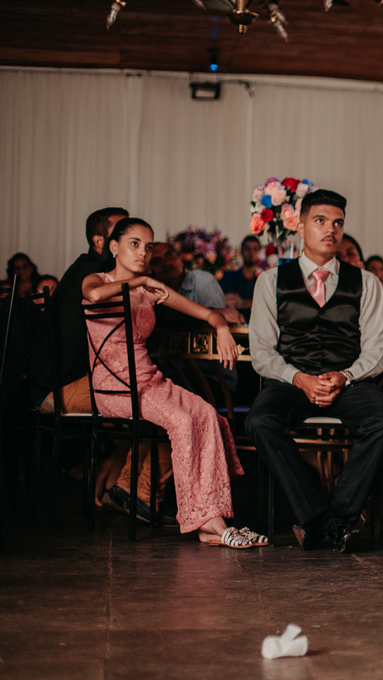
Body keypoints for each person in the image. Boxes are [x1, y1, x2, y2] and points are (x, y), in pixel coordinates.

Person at [81, 219, 260, 549]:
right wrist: (142, 281)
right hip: (116, 387)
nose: (143, 253)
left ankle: (213, 523)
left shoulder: (151, 290)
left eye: (148, 247)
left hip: (149, 380)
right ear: (114, 247)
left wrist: (220, 326)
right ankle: (205, 521)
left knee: (208, 415)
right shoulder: (99, 279)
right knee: (183, 421)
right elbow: (92, 295)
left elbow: (207, 314)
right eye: (135, 244)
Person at [245, 189, 383, 553]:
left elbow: (378, 350)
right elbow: (262, 351)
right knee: (260, 420)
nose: (331, 230)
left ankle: (332, 518)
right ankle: (326, 520)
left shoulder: (366, 283)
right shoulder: (270, 281)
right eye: (320, 221)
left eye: (338, 223)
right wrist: (299, 378)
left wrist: (345, 376)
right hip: (292, 382)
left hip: (349, 382)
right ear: (299, 225)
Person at [29, 207, 127, 414]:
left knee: (154, 393)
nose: (129, 234)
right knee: (151, 397)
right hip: (57, 391)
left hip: (58, 382)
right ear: (99, 241)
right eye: (121, 230)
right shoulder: (95, 273)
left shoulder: (86, 266)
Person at [150, 242, 241, 322]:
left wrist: (216, 314)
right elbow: (165, 318)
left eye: (169, 255)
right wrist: (214, 313)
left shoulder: (202, 279)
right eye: (156, 261)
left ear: (181, 259)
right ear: (149, 270)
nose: (166, 263)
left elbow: (221, 318)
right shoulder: (149, 290)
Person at [220, 235, 262, 311]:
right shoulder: (229, 277)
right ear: (241, 251)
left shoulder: (262, 280)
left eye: (255, 249)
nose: (251, 252)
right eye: (247, 249)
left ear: (259, 251)